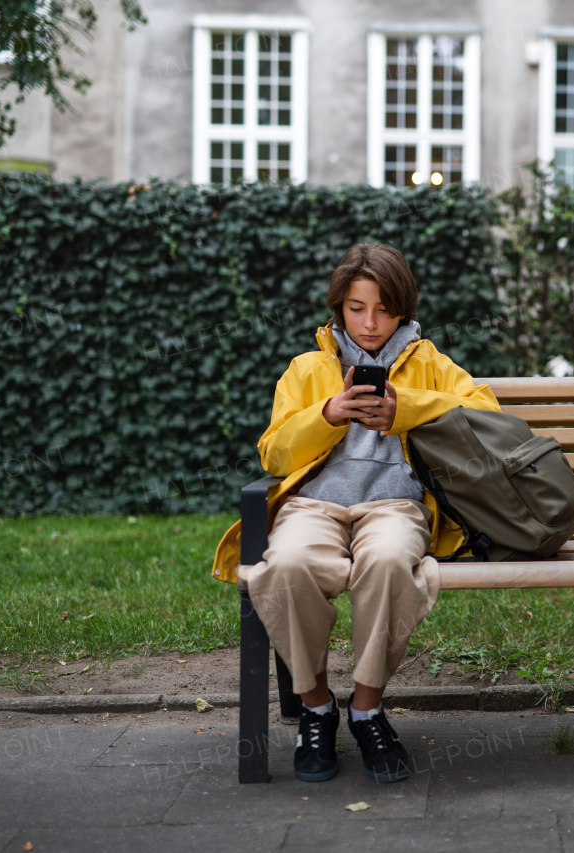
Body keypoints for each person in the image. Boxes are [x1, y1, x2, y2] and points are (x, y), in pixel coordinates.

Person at [241, 242, 499, 784]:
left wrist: (406, 410)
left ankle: (366, 709)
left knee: (387, 563)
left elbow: (486, 414)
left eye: (384, 309)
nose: (370, 323)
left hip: (395, 505)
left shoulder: (428, 363)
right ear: (339, 308)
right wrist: (328, 413)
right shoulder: (308, 369)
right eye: (357, 308)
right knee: (284, 564)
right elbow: (274, 453)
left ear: (403, 308)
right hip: (315, 504)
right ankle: (316, 707)